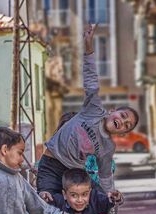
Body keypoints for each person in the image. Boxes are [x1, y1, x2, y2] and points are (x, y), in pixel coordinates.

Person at [37, 23, 139, 199]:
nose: (122, 122)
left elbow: (105, 176)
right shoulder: (94, 109)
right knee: (47, 200)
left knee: (100, 203)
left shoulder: (108, 148)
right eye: (123, 116)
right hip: (51, 163)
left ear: (123, 133)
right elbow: (91, 79)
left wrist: (110, 194)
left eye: (126, 125)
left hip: (75, 174)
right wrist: (88, 47)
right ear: (112, 111)